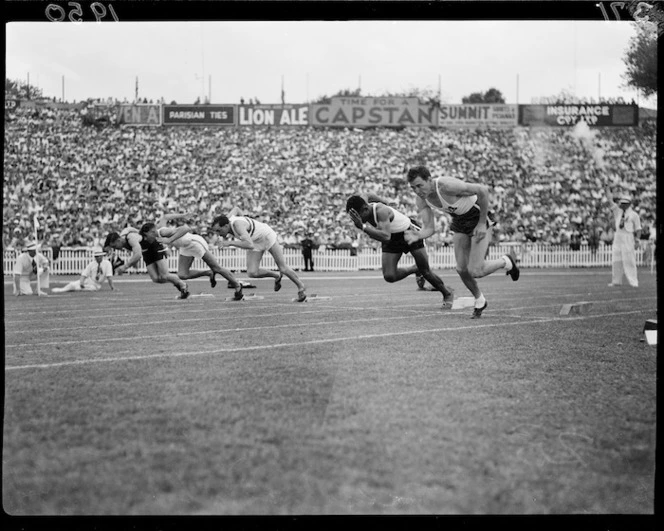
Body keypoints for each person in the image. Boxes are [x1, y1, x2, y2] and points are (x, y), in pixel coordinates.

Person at [406, 165, 519, 318]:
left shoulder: (447, 186)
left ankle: (506, 262)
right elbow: (429, 228)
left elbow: (482, 191)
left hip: (478, 216)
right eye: (413, 188)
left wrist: (480, 224)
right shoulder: (421, 200)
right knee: (461, 269)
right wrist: (418, 235)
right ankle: (480, 300)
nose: (418, 191)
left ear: (429, 180)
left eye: (420, 186)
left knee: (476, 270)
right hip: (460, 221)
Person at [346, 194, 455, 308]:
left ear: (365, 209)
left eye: (357, 216)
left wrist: (363, 227)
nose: (356, 220)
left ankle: (447, 293)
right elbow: (367, 195)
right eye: (353, 217)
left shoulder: (381, 211)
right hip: (392, 236)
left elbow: (385, 236)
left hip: (408, 231)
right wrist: (384, 201)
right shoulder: (363, 203)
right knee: (389, 276)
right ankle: (415, 268)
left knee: (426, 272)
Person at [210, 209, 307, 302]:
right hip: (255, 241)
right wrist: (246, 217)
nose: (218, 234)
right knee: (252, 273)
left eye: (219, 230)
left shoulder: (237, 225)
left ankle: (301, 287)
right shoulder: (227, 219)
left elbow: (249, 245)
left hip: (266, 236)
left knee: (283, 268)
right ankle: (276, 276)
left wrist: (229, 243)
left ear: (226, 226)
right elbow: (236, 208)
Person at [144, 212, 244, 300]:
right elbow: (165, 217)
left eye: (146, 236)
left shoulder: (163, 232)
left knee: (216, 267)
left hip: (194, 242)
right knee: (182, 274)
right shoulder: (157, 232)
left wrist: (169, 240)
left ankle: (237, 285)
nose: (146, 239)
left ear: (151, 232)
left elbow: (186, 228)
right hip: (185, 246)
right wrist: (183, 215)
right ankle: (208, 273)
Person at [103, 225, 190, 299]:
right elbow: (129, 228)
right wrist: (139, 232)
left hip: (154, 247)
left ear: (118, 240)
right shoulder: (123, 236)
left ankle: (182, 284)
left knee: (164, 275)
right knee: (156, 279)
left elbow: (137, 255)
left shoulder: (131, 238)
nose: (116, 249)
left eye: (115, 246)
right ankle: (179, 284)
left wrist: (125, 267)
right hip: (147, 252)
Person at [606, 188, 641, 287]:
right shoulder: (618, 211)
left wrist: (637, 240)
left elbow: (638, 229)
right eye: (621, 203)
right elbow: (610, 200)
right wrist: (606, 187)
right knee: (616, 259)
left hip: (628, 237)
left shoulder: (634, 215)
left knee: (629, 260)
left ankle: (633, 281)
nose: (622, 205)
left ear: (629, 204)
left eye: (624, 203)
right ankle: (616, 281)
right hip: (618, 236)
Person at [52, 249, 116, 293]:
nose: (97, 258)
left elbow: (109, 277)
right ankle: (62, 290)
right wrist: (82, 282)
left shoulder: (107, 264)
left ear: (102, 256)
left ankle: (76, 289)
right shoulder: (92, 264)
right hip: (88, 280)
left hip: (96, 284)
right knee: (72, 284)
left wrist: (112, 287)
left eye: (99, 256)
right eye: (96, 256)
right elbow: (84, 274)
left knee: (91, 288)